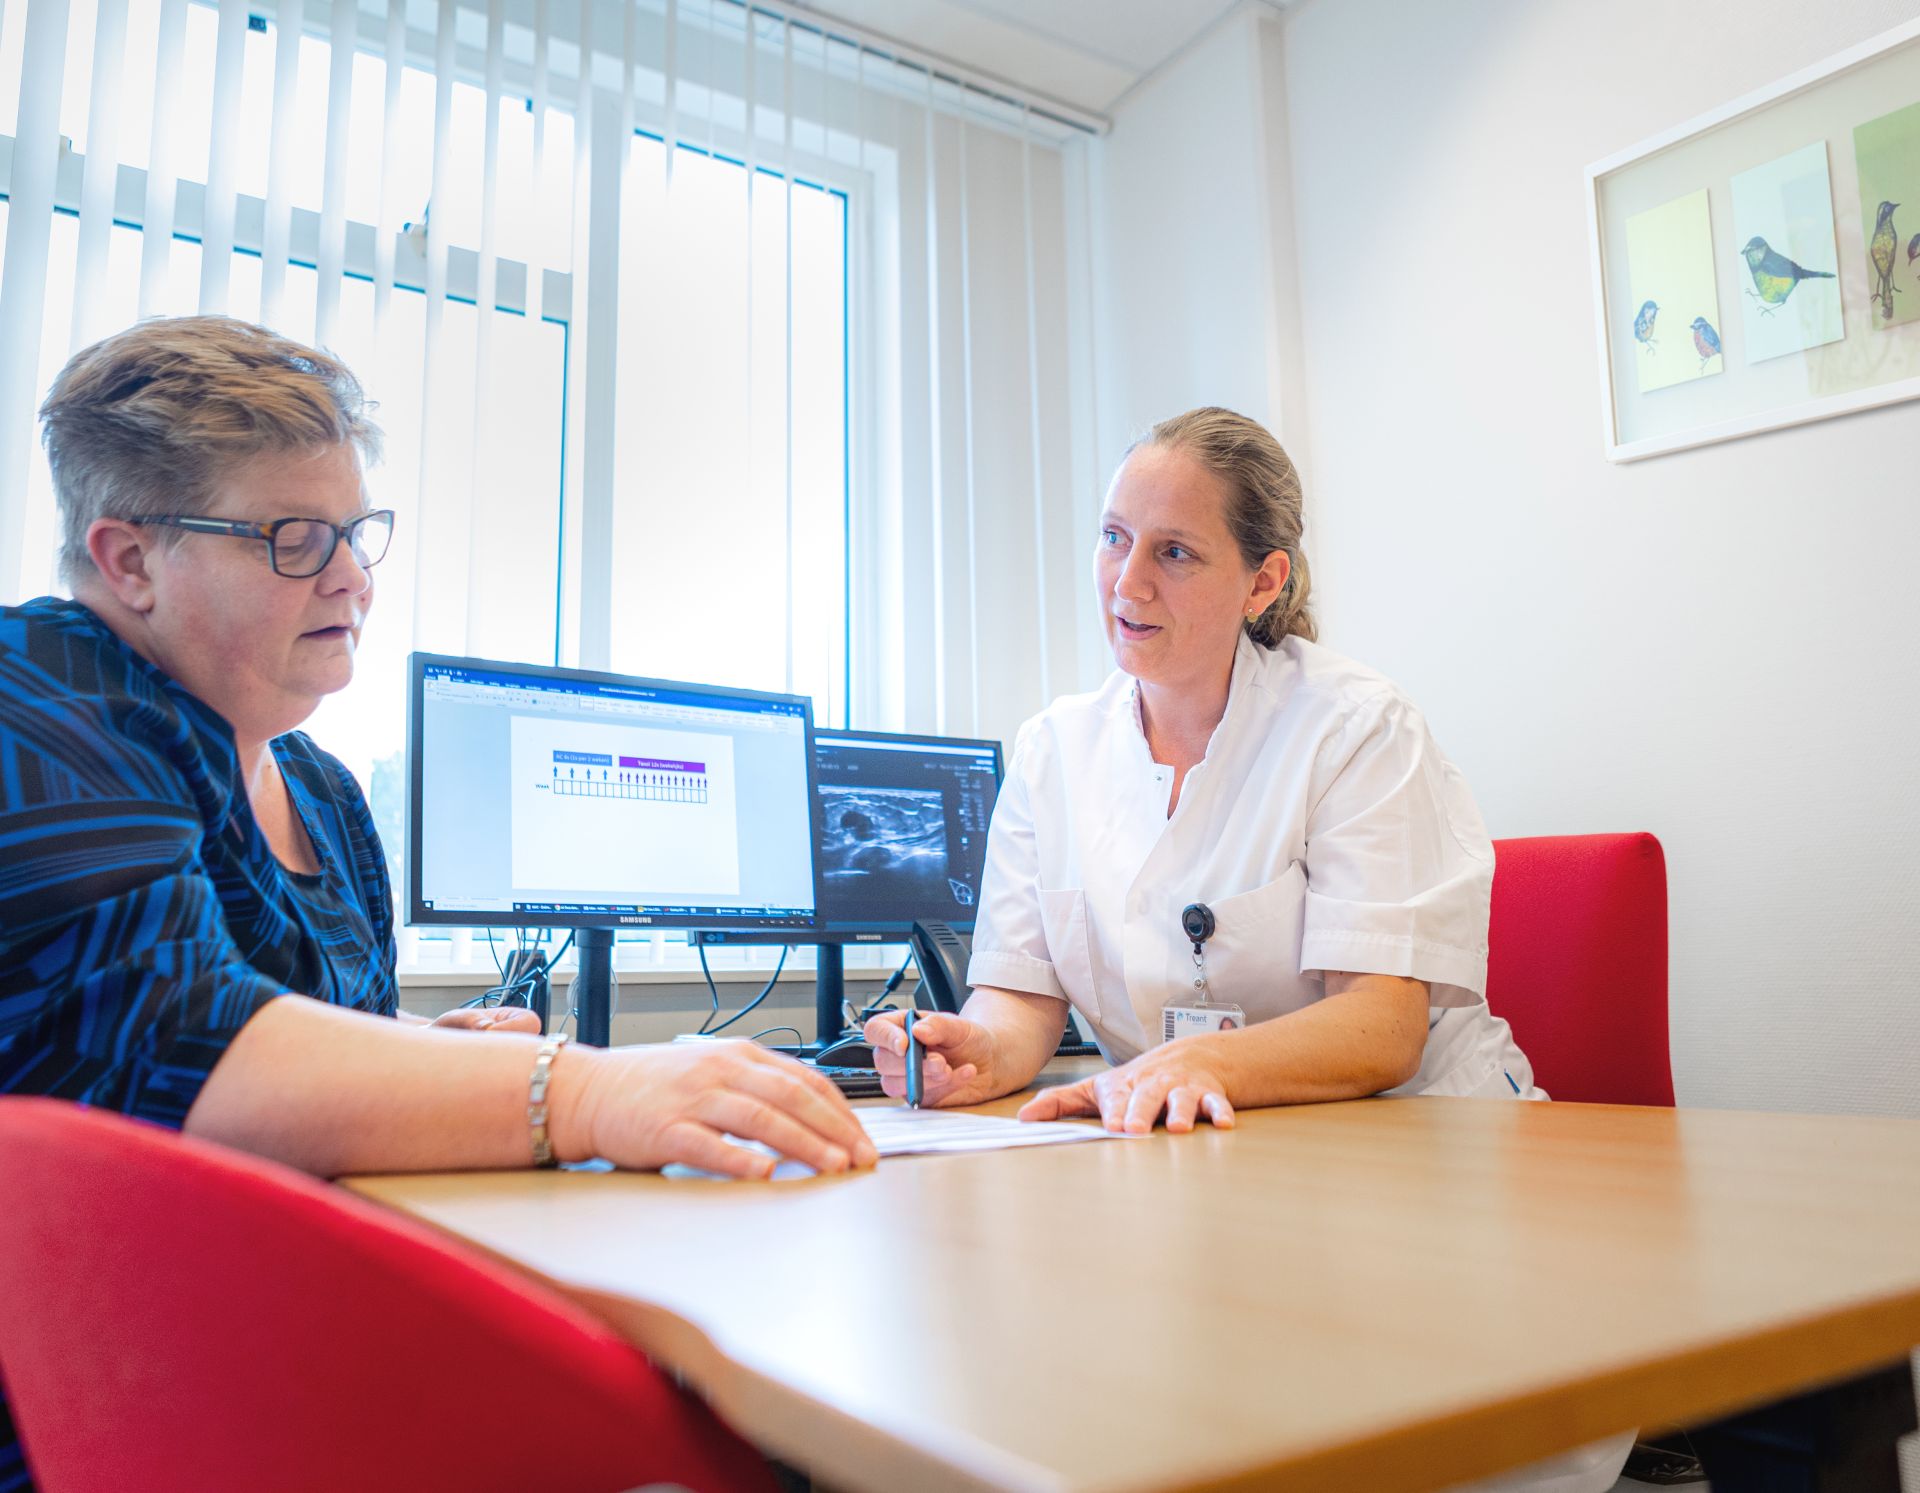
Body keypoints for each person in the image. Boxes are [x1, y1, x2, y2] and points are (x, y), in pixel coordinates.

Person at [0, 317, 874, 1491]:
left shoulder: (322, 791)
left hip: (302, 1320)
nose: (353, 576)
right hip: (133, 1399)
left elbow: (279, 1036)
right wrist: (588, 1085)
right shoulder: (33, 703)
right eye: (295, 539)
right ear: (129, 559)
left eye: (358, 532)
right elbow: (176, 1041)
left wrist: (411, 1054)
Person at [863, 406, 1631, 1492]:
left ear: (1265, 581)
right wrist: (970, 1052)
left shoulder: (1356, 728)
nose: (1127, 583)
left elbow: (1384, 1024)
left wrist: (1182, 1064)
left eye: (1174, 553)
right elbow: (1020, 998)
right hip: (1208, 1180)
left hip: (1423, 1163)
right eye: (1113, 537)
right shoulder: (1054, 750)